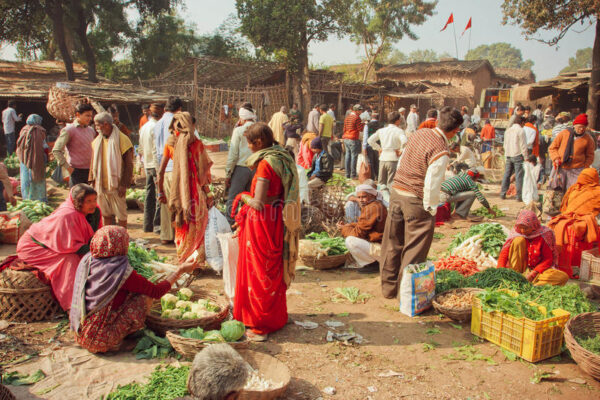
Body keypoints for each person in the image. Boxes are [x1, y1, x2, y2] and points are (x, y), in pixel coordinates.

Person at [70, 226, 198, 354]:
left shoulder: (88, 260)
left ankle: (113, 335)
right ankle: (113, 341)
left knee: (131, 294)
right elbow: (156, 292)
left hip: (81, 332)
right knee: (144, 298)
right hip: (99, 339)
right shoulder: (120, 272)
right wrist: (180, 270)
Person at [380, 107, 463, 299]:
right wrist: (431, 208)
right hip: (415, 199)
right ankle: (405, 294)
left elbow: (402, 161)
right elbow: (432, 183)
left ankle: (388, 288)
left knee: (392, 241)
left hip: (397, 193)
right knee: (414, 248)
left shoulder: (420, 133)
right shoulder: (441, 150)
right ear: (455, 131)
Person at [232, 123, 300, 341]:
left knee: (258, 273)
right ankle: (275, 316)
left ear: (258, 142)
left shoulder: (265, 164)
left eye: (250, 143)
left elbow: (258, 202)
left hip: (261, 221)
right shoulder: (282, 157)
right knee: (271, 271)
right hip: (276, 219)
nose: (249, 147)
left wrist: (241, 196)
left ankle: (260, 322)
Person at [14, 184, 102, 310]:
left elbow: (95, 235)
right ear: (77, 202)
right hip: (35, 246)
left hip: (61, 245)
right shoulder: (68, 215)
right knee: (69, 261)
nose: (93, 204)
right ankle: (73, 306)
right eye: (88, 201)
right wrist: (96, 250)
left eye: (94, 200)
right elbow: (71, 246)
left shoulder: (95, 211)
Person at [158, 112, 213, 263]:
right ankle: (196, 261)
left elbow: (160, 171)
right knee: (197, 223)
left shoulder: (171, 143)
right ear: (191, 125)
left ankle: (183, 256)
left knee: (181, 222)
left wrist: (160, 191)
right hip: (194, 193)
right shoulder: (196, 145)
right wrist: (208, 194)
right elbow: (203, 175)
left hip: (177, 192)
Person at [548, 168, 600, 278]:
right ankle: (577, 266)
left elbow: (564, 208)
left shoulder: (573, 188)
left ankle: (561, 266)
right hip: (580, 222)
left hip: (564, 220)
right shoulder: (597, 191)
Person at [498, 210, 568, 286]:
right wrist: (500, 271)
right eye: (520, 228)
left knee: (563, 277)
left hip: (537, 271)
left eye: (526, 228)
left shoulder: (544, 235)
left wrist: (533, 273)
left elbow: (548, 259)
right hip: (519, 270)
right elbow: (504, 254)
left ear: (533, 226)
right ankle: (516, 278)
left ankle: (531, 285)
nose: (522, 231)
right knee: (518, 240)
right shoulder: (516, 233)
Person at [89, 112, 134, 228]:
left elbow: (129, 165)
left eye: (97, 125)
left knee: (121, 216)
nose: (96, 128)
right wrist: (91, 180)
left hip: (117, 185)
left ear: (106, 125)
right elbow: (92, 162)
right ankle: (108, 238)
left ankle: (122, 239)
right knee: (105, 214)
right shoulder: (97, 141)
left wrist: (124, 184)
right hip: (101, 185)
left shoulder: (122, 140)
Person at [339, 184, 387, 274]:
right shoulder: (374, 205)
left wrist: (344, 229)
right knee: (351, 236)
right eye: (359, 197)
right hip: (381, 246)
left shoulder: (373, 207)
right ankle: (373, 262)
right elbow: (362, 225)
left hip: (382, 249)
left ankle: (373, 264)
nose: (361, 200)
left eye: (364, 197)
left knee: (350, 241)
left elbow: (359, 233)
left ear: (372, 195)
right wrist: (347, 226)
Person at [155, 96, 182, 243]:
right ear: (179, 109)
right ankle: (180, 235)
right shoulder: (181, 123)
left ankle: (166, 236)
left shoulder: (157, 124)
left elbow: (157, 150)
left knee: (165, 204)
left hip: (163, 169)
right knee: (180, 204)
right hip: (177, 170)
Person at [225, 107, 257, 225]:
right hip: (256, 169)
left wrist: (228, 173)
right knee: (251, 199)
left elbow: (233, 155)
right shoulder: (259, 129)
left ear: (242, 118)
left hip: (241, 168)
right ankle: (248, 225)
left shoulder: (238, 131)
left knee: (233, 199)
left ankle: (230, 224)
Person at [548, 113, 595, 194]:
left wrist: (585, 166)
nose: (581, 129)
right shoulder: (564, 133)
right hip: (561, 167)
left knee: (573, 193)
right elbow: (552, 148)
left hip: (577, 170)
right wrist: (556, 158)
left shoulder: (588, 139)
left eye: (584, 127)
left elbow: (590, 155)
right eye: (579, 127)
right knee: (556, 193)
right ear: (574, 125)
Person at [52, 102, 96, 186]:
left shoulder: (91, 130)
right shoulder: (69, 130)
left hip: (90, 170)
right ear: (78, 114)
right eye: (87, 115)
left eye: (91, 116)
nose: (90, 118)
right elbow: (56, 150)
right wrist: (69, 168)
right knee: (77, 197)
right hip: (76, 171)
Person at [138, 104, 163, 233]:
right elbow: (155, 150)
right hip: (154, 165)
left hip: (148, 164)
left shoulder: (145, 127)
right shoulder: (156, 127)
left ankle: (147, 225)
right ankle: (157, 226)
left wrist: (141, 164)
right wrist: (159, 171)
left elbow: (140, 148)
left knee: (149, 195)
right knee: (160, 195)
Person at [367, 111, 407, 187]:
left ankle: (381, 198)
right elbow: (405, 141)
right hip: (393, 159)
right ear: (398, 120)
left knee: (381, 183)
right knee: (391, 183)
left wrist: (379, 149)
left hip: (382, 158)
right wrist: (401, 150)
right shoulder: (399, 131)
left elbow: (370, 140)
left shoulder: (381, 130)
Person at [16, 114, 47, 202]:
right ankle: (39, 199)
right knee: (37, 177)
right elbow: (44, 146)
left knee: (26, 178)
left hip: (25, 159)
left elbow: (19, 146)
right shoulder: (40, 130)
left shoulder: (24, 130)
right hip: (37, 160)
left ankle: (27, 198)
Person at [500, 115, 527, 201]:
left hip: (508, 155)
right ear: (522, 123)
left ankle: (502, 194)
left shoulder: (508, 131)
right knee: (519, 176)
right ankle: (519, 197)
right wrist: (526, 157)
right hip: (518, 155)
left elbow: (504, 144)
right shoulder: (521, 130)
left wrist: (506, 154)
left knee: (507, 175)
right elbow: (523, 146)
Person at [307, 137, 333, 205]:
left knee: (308, 185)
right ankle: (314, 201)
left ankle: (309, 203)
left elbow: (327, 171)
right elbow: (313, 169)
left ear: (319, 148)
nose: (312, 150)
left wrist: (316, 175)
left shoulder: (326, 156)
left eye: (314, 148)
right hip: (314, 176)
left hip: (322, 177)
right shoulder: (316, 155)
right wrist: (309, 175)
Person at [342, 104, 364, 179]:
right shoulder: (357, 118)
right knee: (354, 156)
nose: (361, 112)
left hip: (346, 138)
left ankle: (347, 174)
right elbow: (360, 129)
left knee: (347, 156)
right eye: (360, 110)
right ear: (357, 111)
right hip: (353, 138)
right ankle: (353, 174)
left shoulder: (347, 117)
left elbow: (344, 128)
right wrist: (364, 123)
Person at [362, 111, 382, 181]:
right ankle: (378, 176)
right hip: (379, 146)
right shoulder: (381, 125)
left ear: (371, 117)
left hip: (369, 146)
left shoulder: (367, 125)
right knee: (378, 162)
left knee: (371, 162)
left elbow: (365, 137)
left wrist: (364, 148)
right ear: (378, 117)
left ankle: (372, 178)